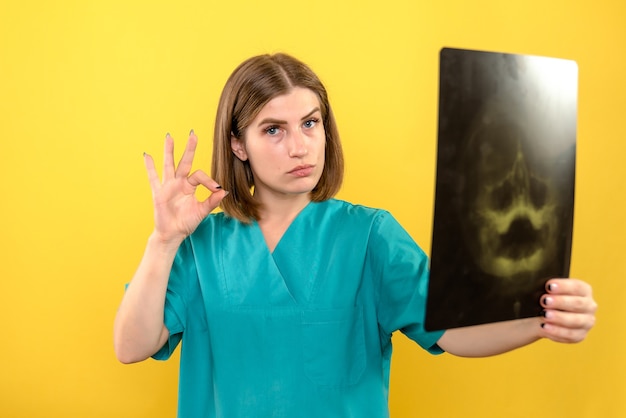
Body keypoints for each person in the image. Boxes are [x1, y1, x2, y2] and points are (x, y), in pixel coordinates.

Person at [113, 53, 597, 417]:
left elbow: (453, 330)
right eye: (273, 130)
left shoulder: (370, 236)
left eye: (310, 123)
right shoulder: (201, 245)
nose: (301, 146)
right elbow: (131, 346)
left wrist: (541, 319)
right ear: (238, 144)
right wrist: (162, 241)